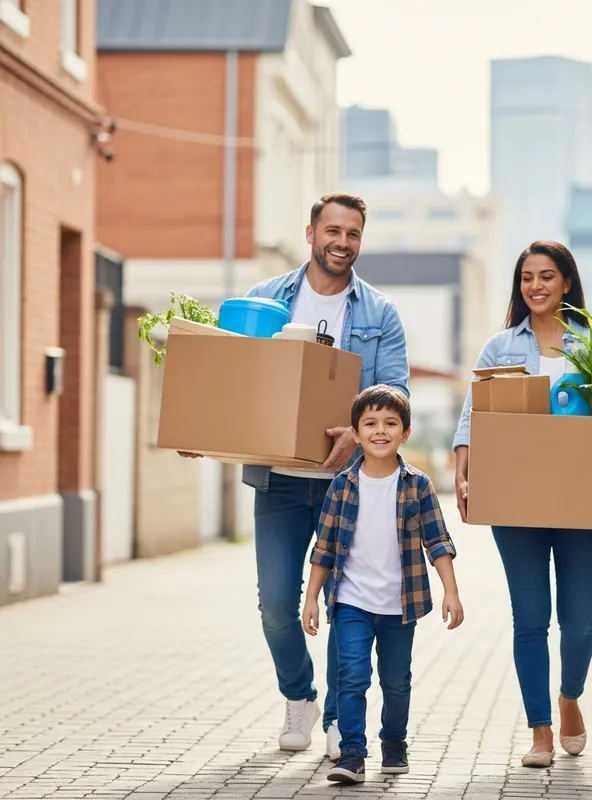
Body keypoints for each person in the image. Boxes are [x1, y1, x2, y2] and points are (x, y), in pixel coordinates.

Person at [181, 194, 409, 759]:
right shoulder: (263, 300)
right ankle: (299, 697)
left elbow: (398, 390)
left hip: (347, 487)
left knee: (343, 608)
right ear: (310, 233)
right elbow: (230, 379)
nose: (342, 242)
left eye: (353, 233)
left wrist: (359, 431)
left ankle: (338, 718)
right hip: (277, 482)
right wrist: (200, 426)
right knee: (278, 604)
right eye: (332, 230)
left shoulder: (379, 314)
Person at [452, 241, 592, 769]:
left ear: (567, 281)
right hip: (518, 499)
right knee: (530, 619)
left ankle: (569, 697)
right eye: (526, 277)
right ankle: (539, 728)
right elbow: (475, 413)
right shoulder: (500, 347)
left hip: (585, 498)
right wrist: (464, 466)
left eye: (546, 276)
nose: (536, 286)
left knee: (580, 621)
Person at [302, 385, 463, 785]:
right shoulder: (341, 486)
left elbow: (437, 541)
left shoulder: (418, 485)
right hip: (351, 601)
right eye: (370, 423)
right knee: (352, 676)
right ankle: (353, 753)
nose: (380, 430)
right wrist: (310, 599)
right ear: (355, 433)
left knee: (396, 681)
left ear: (405, 433)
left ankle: (394, 742)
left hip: (400, 603)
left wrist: (452, 591)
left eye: (390, 423)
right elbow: (323, 547)